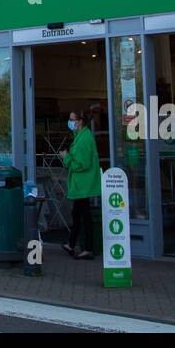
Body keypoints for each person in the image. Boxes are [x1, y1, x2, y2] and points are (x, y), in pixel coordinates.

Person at [60, 109, 101, 259]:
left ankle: (88, 249)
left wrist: (66, 157)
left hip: (83, 184)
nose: (70, 122)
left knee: (84, 215)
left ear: (80, 121)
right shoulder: (81, 136)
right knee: (78, 214)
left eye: (72, 119)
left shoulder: (83, 139)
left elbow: (81, 164)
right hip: (82, 184)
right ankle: (71, 244)